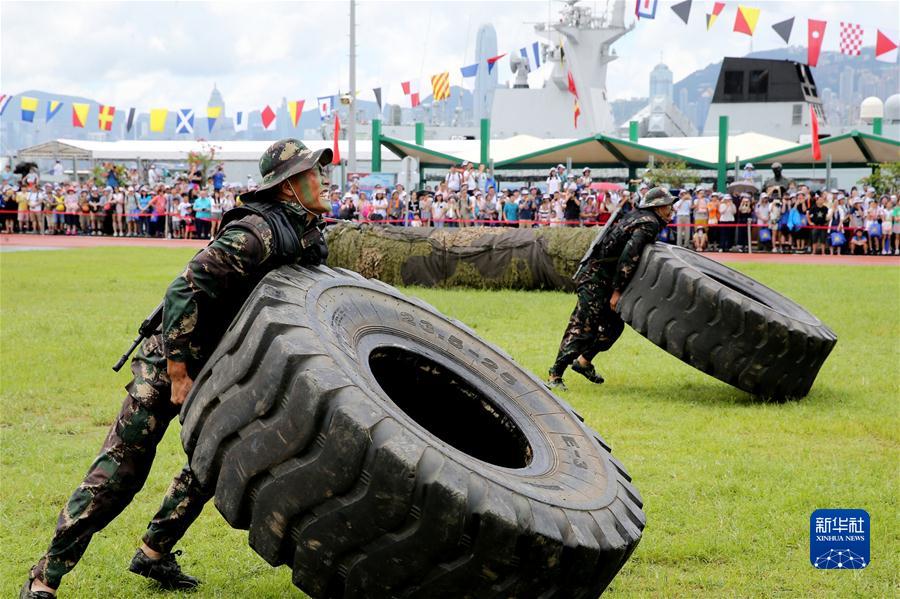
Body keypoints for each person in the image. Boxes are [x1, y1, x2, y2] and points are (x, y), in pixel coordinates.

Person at [21, 138, 333, 599]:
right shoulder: (253, 235)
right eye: (312, 172)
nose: (321, 179)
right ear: (288, 187)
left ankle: (153, 553)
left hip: (224, 362)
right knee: (122, 470)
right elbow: (181, 293)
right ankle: (44, 577)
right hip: (171, 356)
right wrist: (179, 372)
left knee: (214, 463)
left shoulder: (307, 234)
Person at [547, 187, 676, 390]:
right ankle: (555, 375)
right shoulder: (648, 223)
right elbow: (628, 258)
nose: (671, 210)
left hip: (605, 278)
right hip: (595, 279)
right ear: (657, 207)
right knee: (583, 327)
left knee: (613, 328)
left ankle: (583, 362)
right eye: (668, 206)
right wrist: (617, 292)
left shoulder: (640, 218)